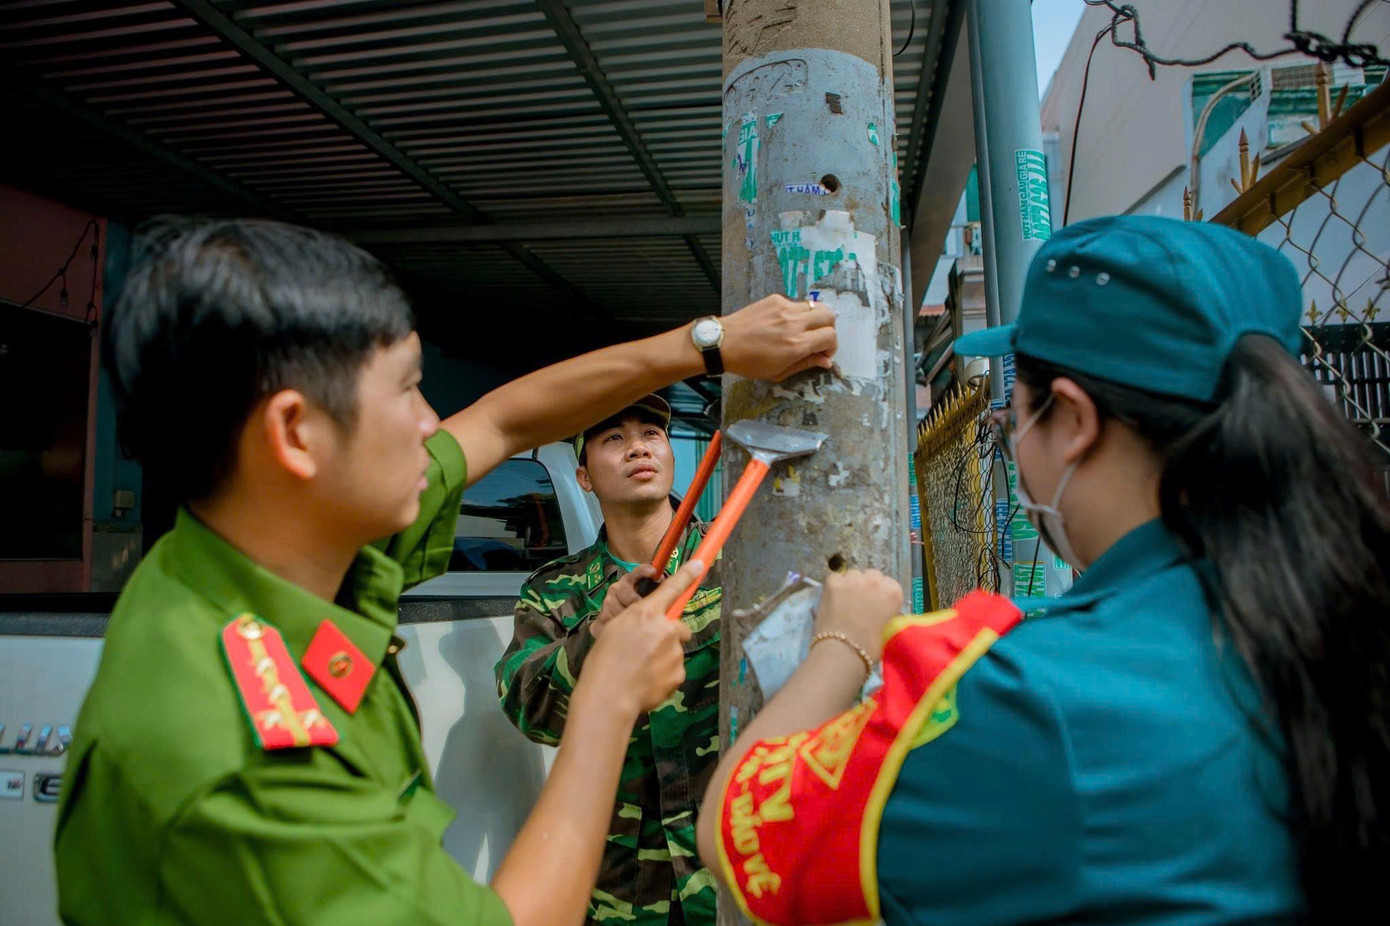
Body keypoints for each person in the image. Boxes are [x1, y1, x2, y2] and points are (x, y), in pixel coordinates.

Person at [53, 217, 838, 926]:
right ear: (296, 434)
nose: (433, 422)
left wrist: (708, 344)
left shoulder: (284, 538)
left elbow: (505, 418)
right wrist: (606, 694)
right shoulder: (240, 756)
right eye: (405, 392)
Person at [695, 214, 1390, 925]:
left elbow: (741, 828)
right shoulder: (1342, 617)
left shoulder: (1029, 699)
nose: (1007, 429)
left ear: (1074, 419)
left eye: (1013, 407)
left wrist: (841, 643)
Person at [496, 394, 720, 926]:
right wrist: (597, 633)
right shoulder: (552, 593)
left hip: (730, 873)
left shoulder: (737, 566)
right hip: (621, 892)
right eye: (613, 439)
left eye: (651, 433)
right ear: (584, 477)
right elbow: (531, 711)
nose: (637, 448)